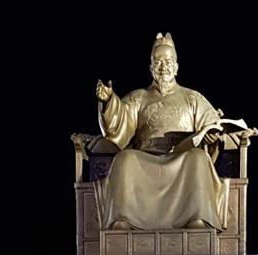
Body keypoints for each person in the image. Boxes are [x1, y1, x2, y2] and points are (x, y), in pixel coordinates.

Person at [94, 32, 248, 232]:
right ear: (151, 67)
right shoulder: (139, 98)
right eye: (158, 62)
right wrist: (108, 102)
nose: (163, 66)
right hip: (146, 158)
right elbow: (118, 124)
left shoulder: (192, 98)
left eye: (168, 61)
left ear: (176, 66)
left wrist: (212, 136)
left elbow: (213, 124)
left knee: (199, 158)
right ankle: (122, 220)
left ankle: (197, 219)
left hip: (182, 157)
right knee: (125, 159)